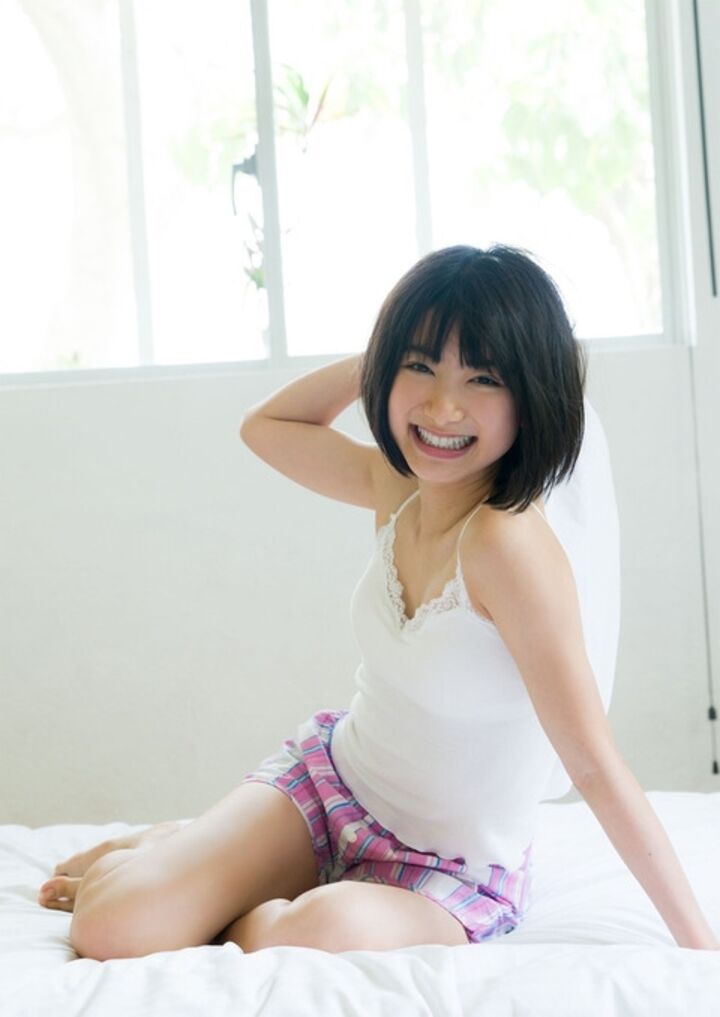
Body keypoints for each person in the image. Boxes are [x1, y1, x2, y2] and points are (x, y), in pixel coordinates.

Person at [38, 244, 718, 956]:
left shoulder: (508, 547)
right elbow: (265, 428)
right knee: (111, 926)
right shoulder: (399, 486)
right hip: (334, 786)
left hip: (446, 869)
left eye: (483, 377)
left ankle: (215, 880)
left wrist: (701, 949)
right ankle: (185, 854)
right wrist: (389, 358)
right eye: (421, 367)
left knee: (314, 930)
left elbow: (595, 765)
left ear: (530, 396)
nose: (442, 406)